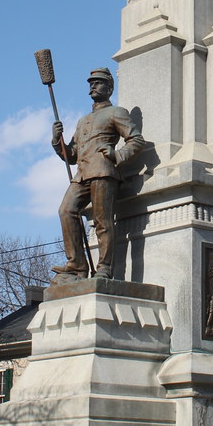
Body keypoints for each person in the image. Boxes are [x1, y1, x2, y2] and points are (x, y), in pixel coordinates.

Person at [51, 68, 145, 279]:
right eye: (91, 83)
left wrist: (117, 155)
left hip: (103, 171)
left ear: (109, 88)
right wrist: (58, 142)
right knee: (66, 211)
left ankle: (104, 268)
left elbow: (136, 140)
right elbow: (72, 156)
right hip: (82, 174)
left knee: (103, 221)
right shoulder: (83, 120)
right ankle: (77, 264)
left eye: (98, 82)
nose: (93, 86)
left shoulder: (116, 112)